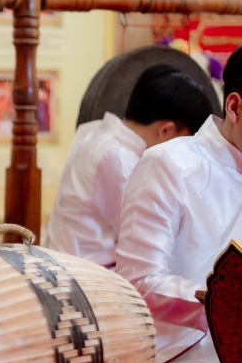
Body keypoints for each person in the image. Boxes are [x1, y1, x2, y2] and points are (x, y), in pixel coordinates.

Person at [116, 46, 242, 363]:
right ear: (236, 106)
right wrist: (218, 305)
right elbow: (136, 284)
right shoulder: (168, 164)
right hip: (176, 362)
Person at [46, 64, 213, 268]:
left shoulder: (94, 130)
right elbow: (150, 239)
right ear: (166, 131)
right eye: (185, 142)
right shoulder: (119, 160)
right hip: (85, 280)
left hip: (68, 265)